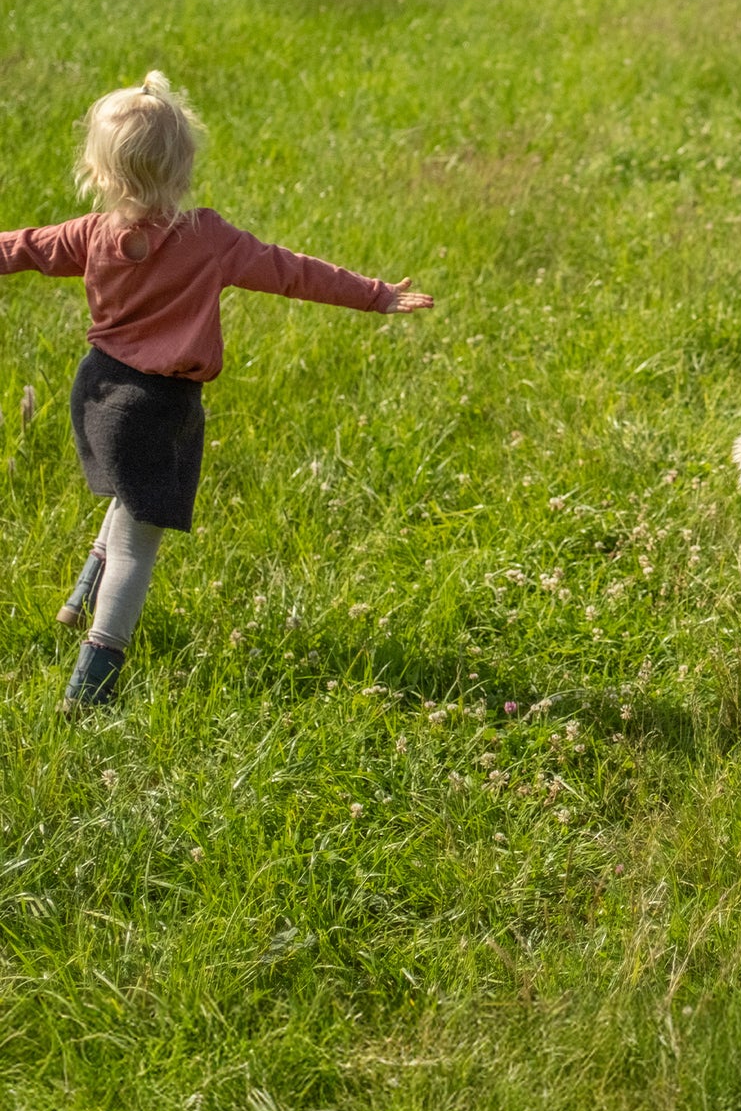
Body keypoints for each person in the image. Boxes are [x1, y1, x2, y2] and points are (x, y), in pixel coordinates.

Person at [0, 72, 433, 711]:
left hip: (98, 392)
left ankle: (79, 597)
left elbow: (18, 248)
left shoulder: (89, 233)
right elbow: (292, 271)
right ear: (184, 167)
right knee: (139, 539)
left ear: (98, 170)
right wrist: (375, 295)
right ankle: (92, 682)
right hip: (159, 404)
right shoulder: (207, 237)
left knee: (130, 490)